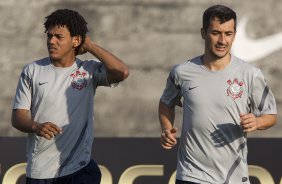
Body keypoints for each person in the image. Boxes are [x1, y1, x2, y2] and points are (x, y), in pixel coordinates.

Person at [158, 4, 277, 184]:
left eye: (228, 34)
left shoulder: (250, 74)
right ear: (203, 33)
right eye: (216, 33)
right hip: (191, 175)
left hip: (233, 177)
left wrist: (257, 121)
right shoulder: (182, 72)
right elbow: (166, 103)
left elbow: (271, 115)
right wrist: (167, 128)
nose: (222, 40)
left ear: (235, 35)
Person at [11, 9, 129, 184]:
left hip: (80, 169)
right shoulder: (32, 70)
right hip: (41, 170)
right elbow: (17, 118)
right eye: (49, 36)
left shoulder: (88, 70)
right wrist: (36, 126)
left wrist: (90, 46)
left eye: (59, 37)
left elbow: (122, 72)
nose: (52, 41)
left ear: (76, 40)